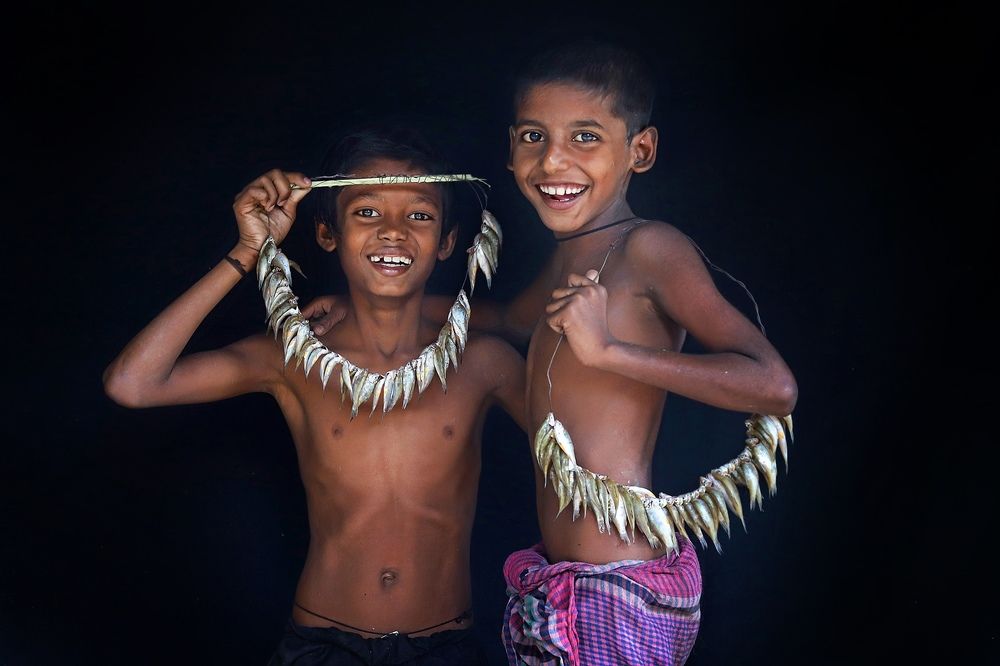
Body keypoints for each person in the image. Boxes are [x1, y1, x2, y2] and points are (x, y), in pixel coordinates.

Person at [306, 42, 798, 665]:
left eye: (585, 137)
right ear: (511, 148)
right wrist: (376, 304)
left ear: (640, 151)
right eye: (534, 137)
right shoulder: (572, 255)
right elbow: (509, 320)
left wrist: (610, 352)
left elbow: (773, 385)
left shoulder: (650, 248)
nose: (553, 160)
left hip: (617, 586)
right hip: (564, 583)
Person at [103, 125, 527, 665]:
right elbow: (133, 384)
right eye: (367, 212)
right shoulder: (294, 358)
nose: (392, 231)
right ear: (328, 234)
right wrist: (248, 250)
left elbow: (580, 454)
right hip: (323, 646)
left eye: (419, 215)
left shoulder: (483, 363)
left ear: (447, 242)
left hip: (446, 647)